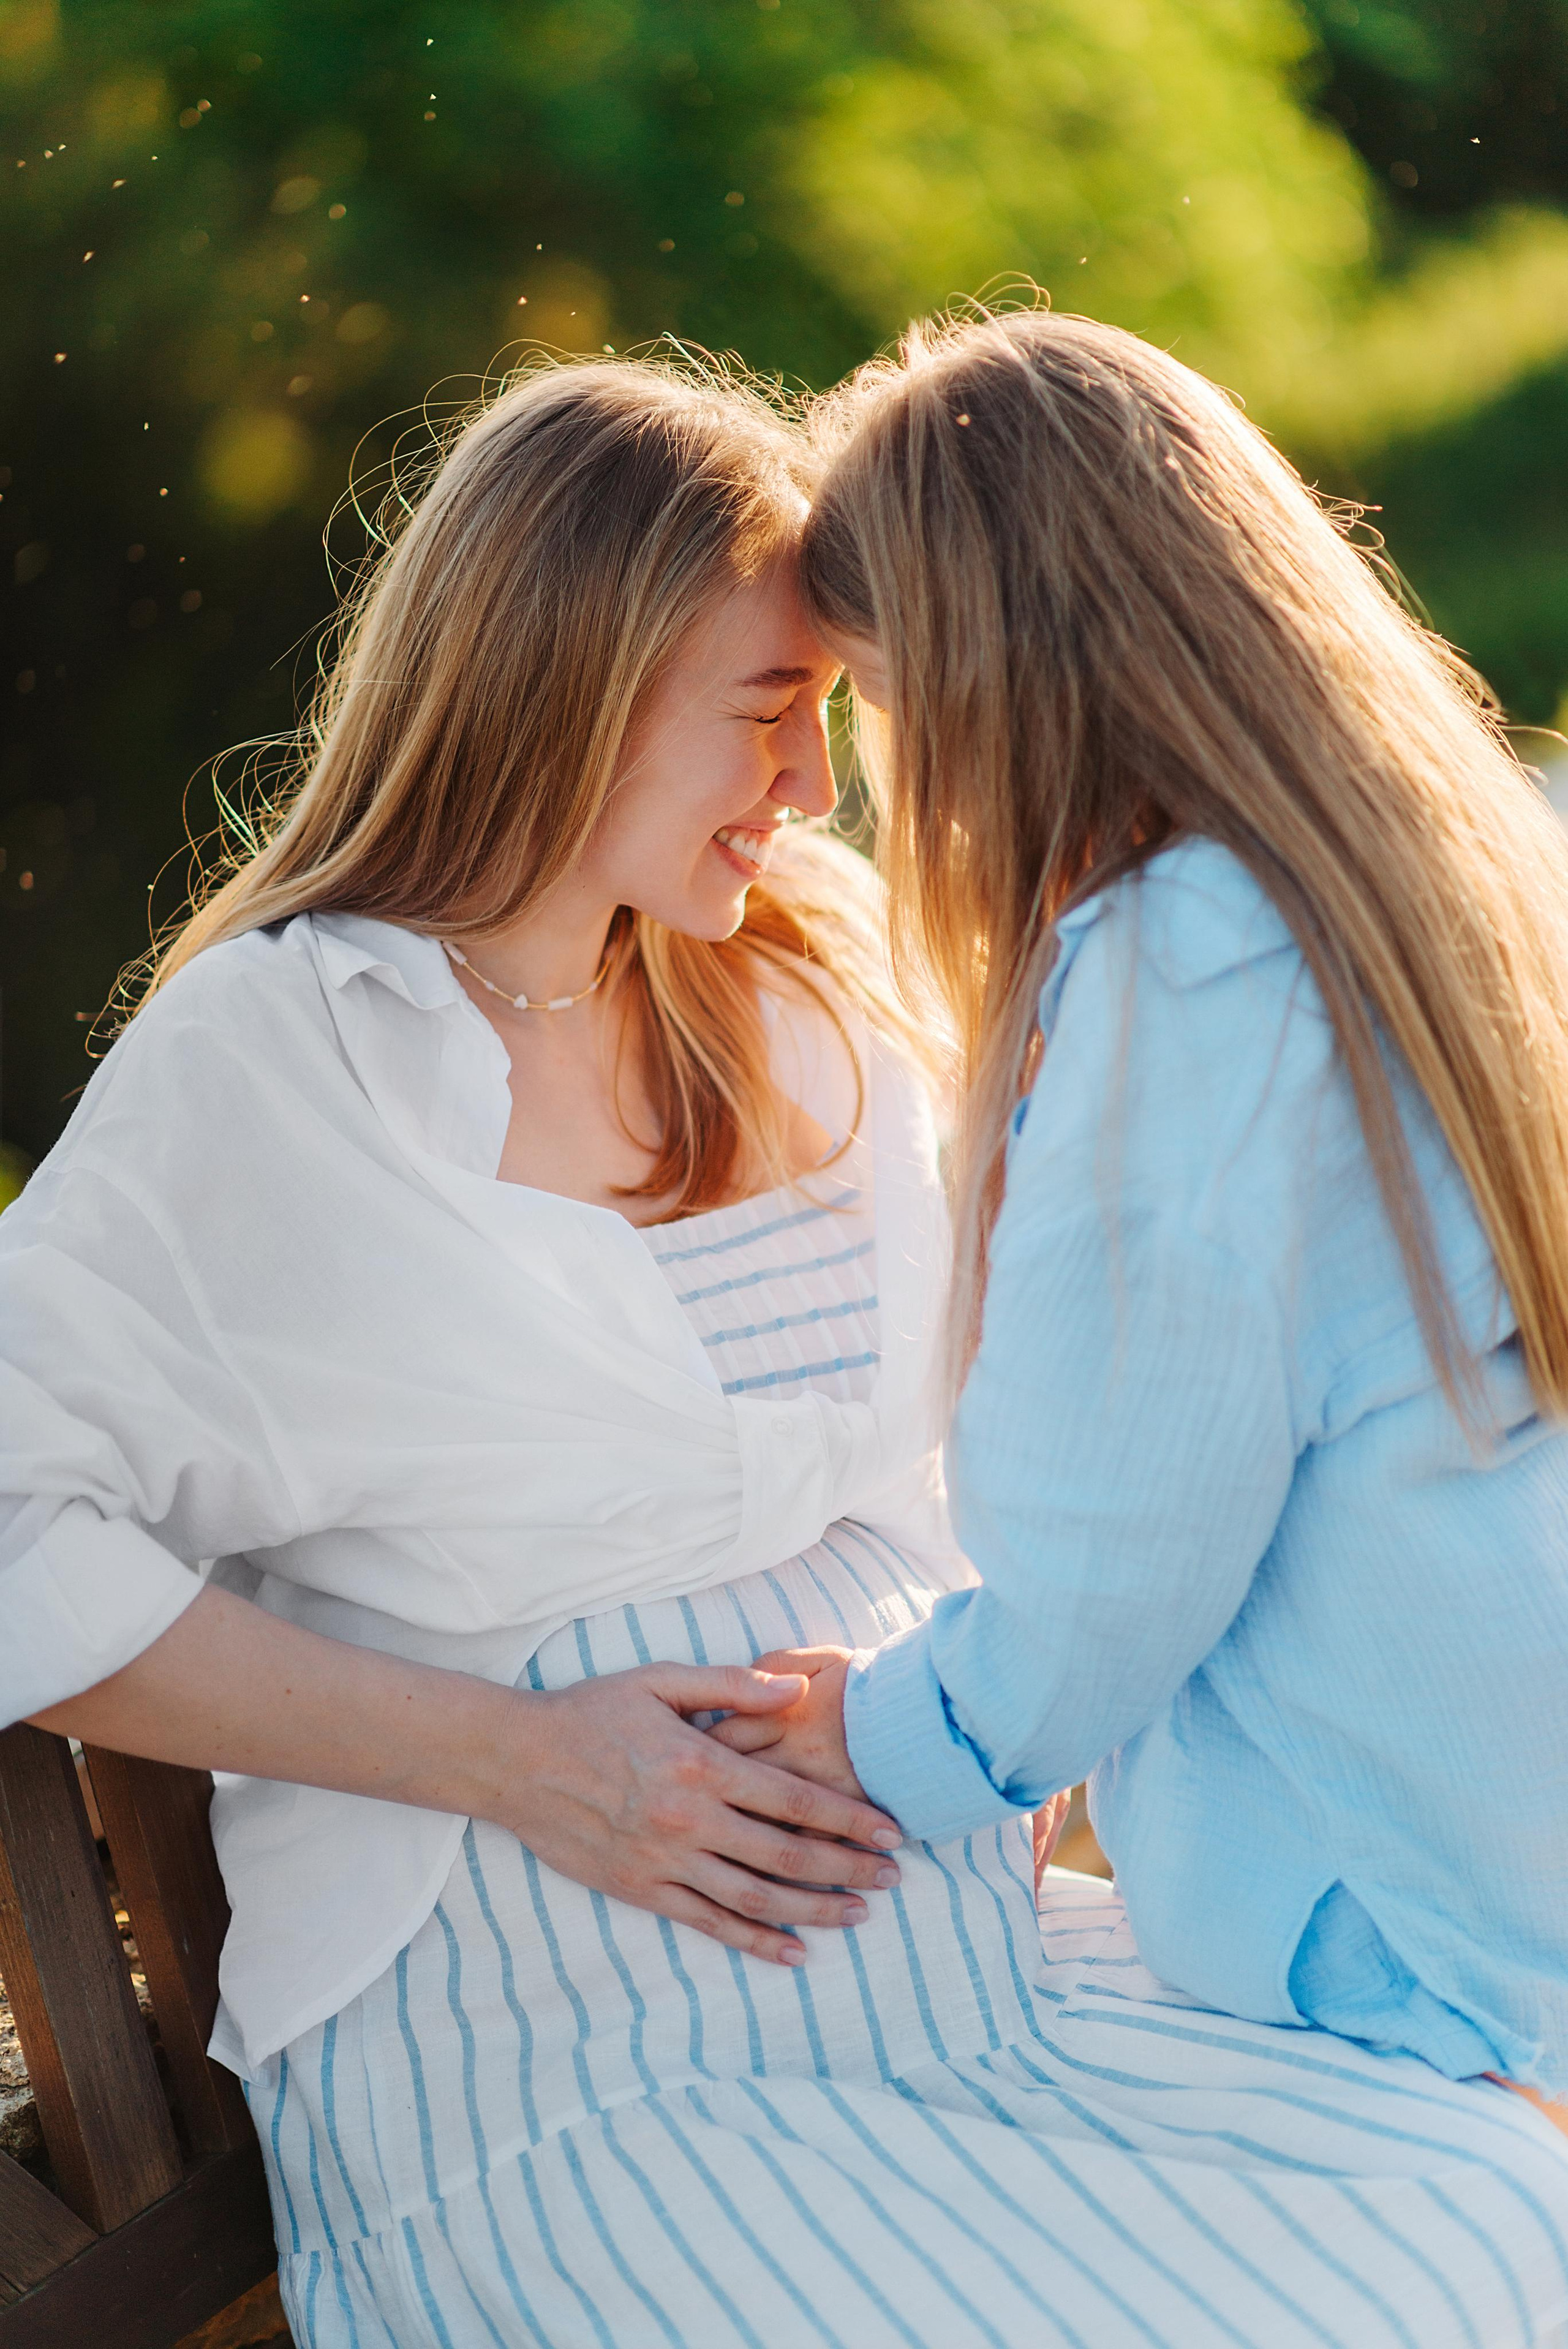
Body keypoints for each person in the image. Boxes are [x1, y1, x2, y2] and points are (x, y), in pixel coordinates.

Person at [4, 350, 1561, 2349]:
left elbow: (1100, 1428)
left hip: (974, 1979)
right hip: (575, 2053)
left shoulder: (817, 976)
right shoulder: (286, 1059)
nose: (822, 784)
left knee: (1501, 2220)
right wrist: (524, 1760)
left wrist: (991, 1714)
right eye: (772, 708)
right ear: (568, 686)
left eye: (832, 709)